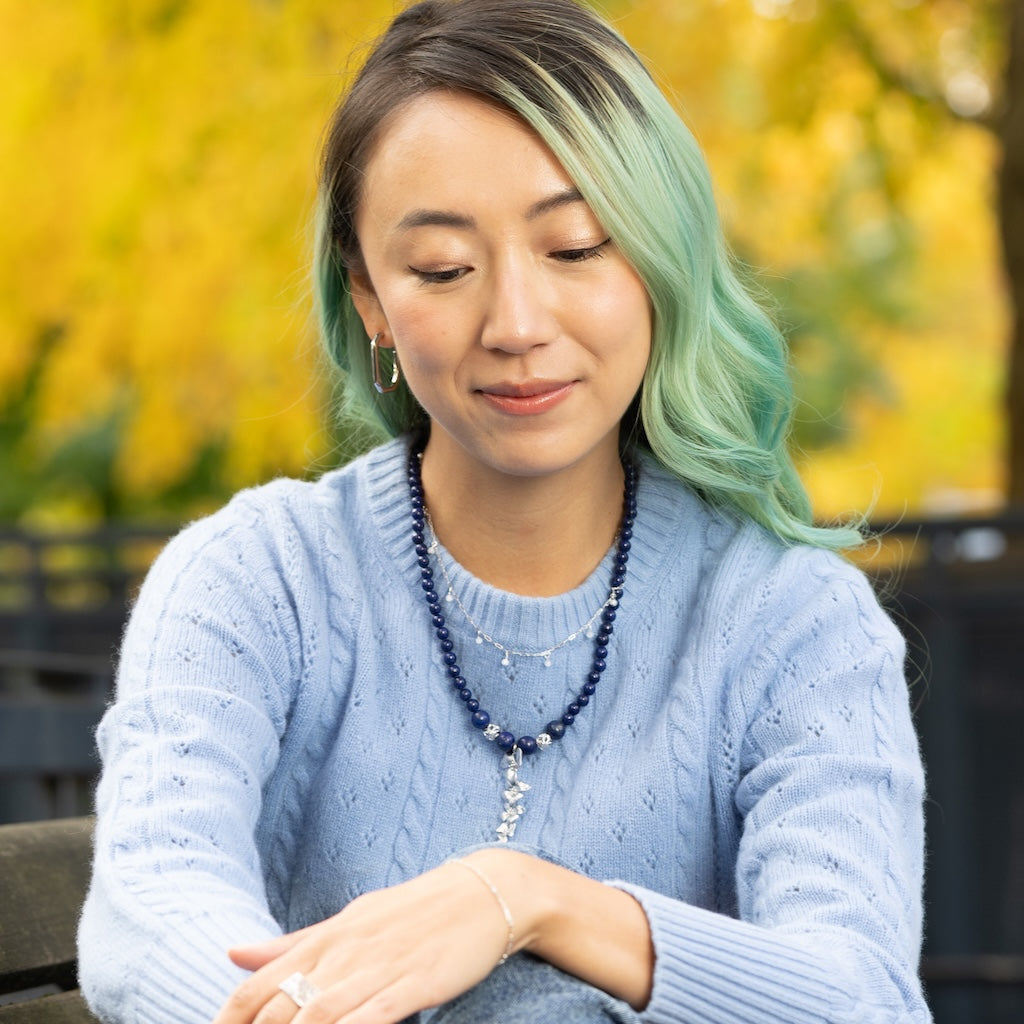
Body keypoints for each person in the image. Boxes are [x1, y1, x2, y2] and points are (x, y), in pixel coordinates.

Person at [77, 0, 932, 1021]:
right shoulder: (255, 579)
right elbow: (151, 908)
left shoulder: (797, 624)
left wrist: (530, 900)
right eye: (443, 269)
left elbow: (861, 995)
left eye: (573, 247)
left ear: (658, 261)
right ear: (369, 300)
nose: (518, 325)